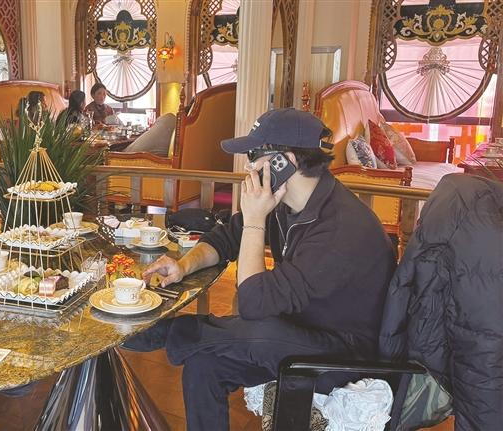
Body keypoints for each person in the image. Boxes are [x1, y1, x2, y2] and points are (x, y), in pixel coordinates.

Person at [132, 108, 397, 429]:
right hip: (300, 330)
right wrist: (184, 265)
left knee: (261, 331)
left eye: (254, 156)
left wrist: (255, 220)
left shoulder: (340, 228)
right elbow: (226, 236)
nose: (248, 166)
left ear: (285, 162)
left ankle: (166, 332)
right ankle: (178, 335)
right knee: (204, 363)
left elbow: (254, 303)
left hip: (345, 354)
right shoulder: (286, 202)